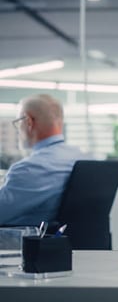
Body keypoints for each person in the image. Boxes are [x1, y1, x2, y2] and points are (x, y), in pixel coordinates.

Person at [0, 94, 91, 226]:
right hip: (78, 243)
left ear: (29, 122)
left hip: (25, 244)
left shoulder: (29, 169)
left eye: (18, 122)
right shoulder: (86, 159)